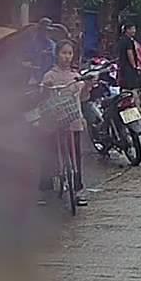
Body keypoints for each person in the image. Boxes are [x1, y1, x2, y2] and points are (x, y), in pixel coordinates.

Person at [39, 39, 90, 206]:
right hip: (54, 122)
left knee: (76, 156)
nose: (67, 57)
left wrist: (87, 85)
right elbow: (43, 99)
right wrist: (45, 88)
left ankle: (78, 189)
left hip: (73, 121)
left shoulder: (76, 76)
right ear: (57, 54)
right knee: (50, 153)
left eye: (70, 53)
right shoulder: (49, 76)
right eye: (64, 53)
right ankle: (45, 188)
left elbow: (83, 98)